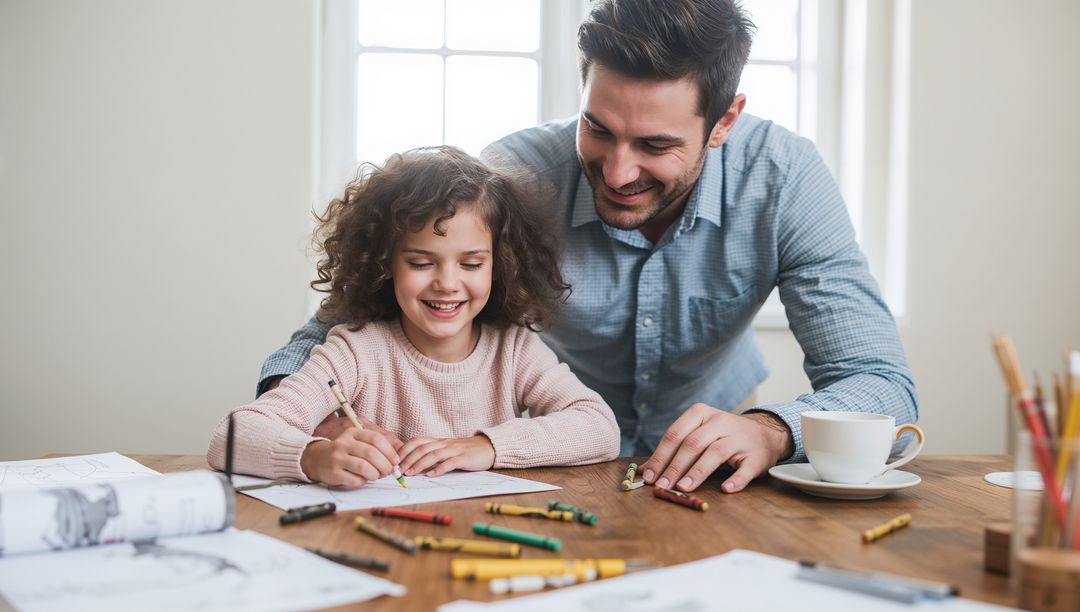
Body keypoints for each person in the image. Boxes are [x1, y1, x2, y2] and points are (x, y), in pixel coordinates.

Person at [257, 0, 917, 494]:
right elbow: (336, 330)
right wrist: (319, 426)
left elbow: (882, 384)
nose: (620, 171)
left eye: (656, 145)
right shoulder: (516, 178)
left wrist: (772, 431)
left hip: (716, 472)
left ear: (725, 122)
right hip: (551, 465)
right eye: (598, 129)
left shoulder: (786, 181)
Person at [208, 146, 620, 487]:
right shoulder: (356, 349)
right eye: (422, 263)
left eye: (472, 264)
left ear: (502, 264)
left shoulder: (514, 348)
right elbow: (230, 436)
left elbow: (600, 428)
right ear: (384, 263)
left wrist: (487, 446)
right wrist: (316, 457)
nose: (447, 283)